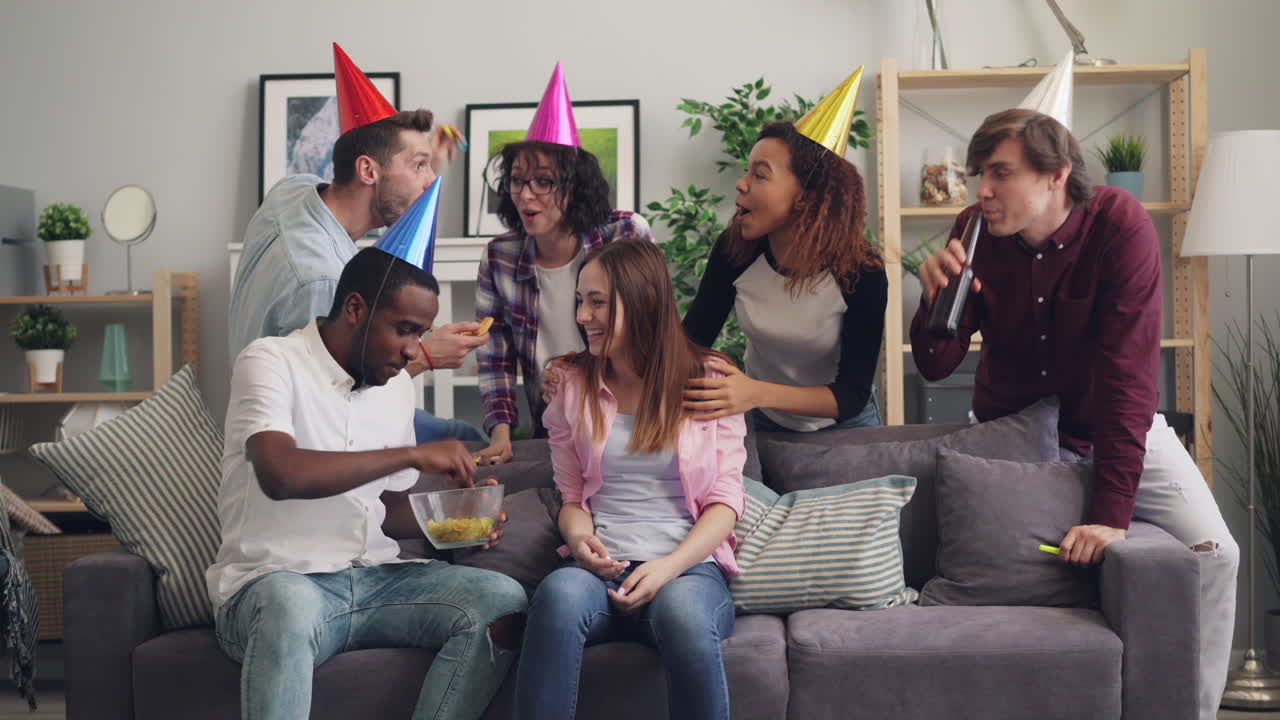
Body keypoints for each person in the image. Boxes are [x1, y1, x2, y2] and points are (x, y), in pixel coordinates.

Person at [911, 107, 1238, 720]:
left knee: (1216, 555)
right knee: (1015, 579)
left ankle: (1193, 711)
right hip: (1011, 431)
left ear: (1056, 174)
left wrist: (1111, 516)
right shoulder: (973, 228)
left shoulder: (1120, 225)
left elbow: (1127, 381)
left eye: (1000, 173)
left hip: (1112, 423)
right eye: (980, 172)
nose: (981, 189)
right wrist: (930, 302)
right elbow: (935, 364)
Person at [209, 247, 527, 720]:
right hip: (276, 583)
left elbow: (384, 505)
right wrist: (414, 453)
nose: (412, 349)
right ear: (356, 309)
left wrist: (456, 521)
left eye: (420, 333)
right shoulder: (271, 361)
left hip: (374, 581)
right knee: (289, 602)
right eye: (404, 329)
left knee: (503, 600)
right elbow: (280, 474)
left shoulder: (395, 385)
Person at [514, 239, 745, 720]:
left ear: (641, 302)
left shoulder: (710, 378)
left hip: (686, 569)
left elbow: (725, 503)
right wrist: (581, 544)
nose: (583, 316)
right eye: (581, 300)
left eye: (597, 301)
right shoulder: (571, 385)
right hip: (602, 568)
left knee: (683, 615)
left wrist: (667, 567)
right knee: (557, 594)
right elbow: (573, 497)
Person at [229, 44, 485, 445]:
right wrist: (426, 355)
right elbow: (333, 399)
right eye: (419, 167)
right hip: (304, 438)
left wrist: (414, 159)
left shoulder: (291, 193)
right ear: (367, 169)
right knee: (465, 439)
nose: (430, 181)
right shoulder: (321, 281)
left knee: (458, 432)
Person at [474, 63, 651, 464]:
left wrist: (579, 373)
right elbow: (494, 357)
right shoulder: (499, 257)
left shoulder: (625, 234)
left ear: (575, 187)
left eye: (544, 181)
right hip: (551, 423)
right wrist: (501, 435)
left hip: (629, 416)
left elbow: (652, 328)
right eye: (518, 180)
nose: (525, 194)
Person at [681, 118, 886, 433]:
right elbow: (691, 342)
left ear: (807, 196)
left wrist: (754, 391)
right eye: (747, 171)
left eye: (760, 174)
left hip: (846, 426)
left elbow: (851, 396)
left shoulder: (862, 271)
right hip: (763, 420)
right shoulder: (735, 249)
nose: (742, 183)